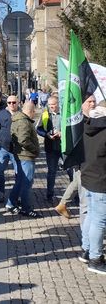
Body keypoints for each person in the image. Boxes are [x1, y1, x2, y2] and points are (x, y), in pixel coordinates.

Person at [79, 105, 106, 274]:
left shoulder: (87, 126)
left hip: (88, 176)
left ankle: (87, 249)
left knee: (91, 215)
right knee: (99, 220)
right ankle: (95, 259)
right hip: (100, 179)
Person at [7, 101, 41, 218]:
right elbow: (23, 140)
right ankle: (26, 208)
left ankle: (11, 203)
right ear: (31, 111)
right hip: (25, 156)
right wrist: (35, 149)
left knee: (20, 182)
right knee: (26, 183)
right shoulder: (23, 121)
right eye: (34, 111)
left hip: (21, 155)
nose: (34, 114)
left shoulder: (19, 119)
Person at [36, 96, 64, 201]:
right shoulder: (45, 114)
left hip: (64, 147)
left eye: (53, 104)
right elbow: (38, 129)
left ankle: (76, 195)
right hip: (51, 147)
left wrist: (62, 133)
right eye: (50, 105)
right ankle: (49, 194)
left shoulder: (65, 114)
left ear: (58, 103)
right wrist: (47, 134)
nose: (51, 106)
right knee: (52, 172)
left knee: (71, 171)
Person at [0, 95, 20, 203]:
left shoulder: (21, 114)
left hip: (17, 150)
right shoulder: (2, 114)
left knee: (19, 173)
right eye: (9, 102)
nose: (11, 104)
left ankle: (17, 195)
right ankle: (1, 192)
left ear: (18, 103)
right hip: (3, 148)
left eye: (14, 102)